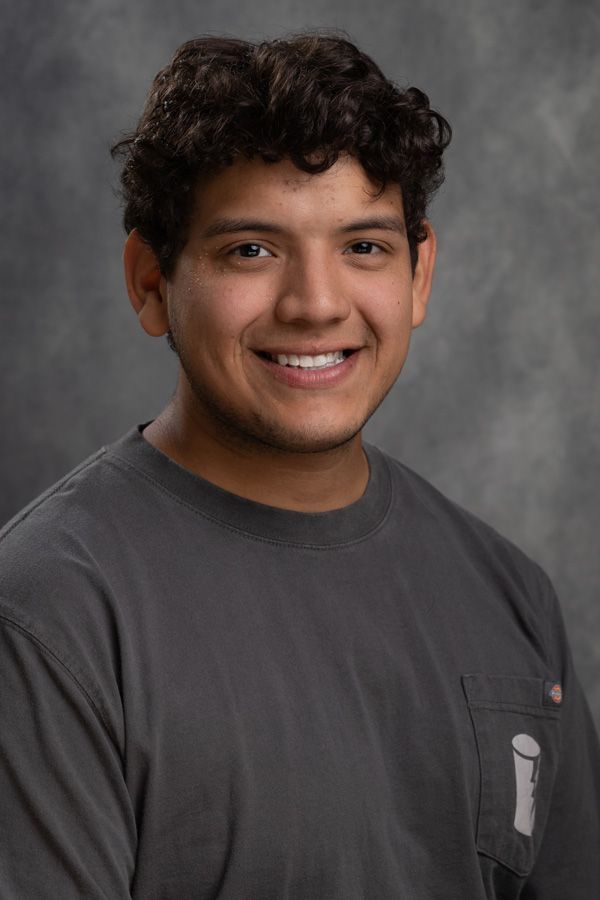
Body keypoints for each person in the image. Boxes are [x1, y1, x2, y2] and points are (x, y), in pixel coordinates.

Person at [0, 30, 598, 900]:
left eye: (364, 247)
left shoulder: (510, 597)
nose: (317, 304)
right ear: (150, 281)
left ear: (419, 273)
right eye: (252, 249)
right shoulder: (50, 614)